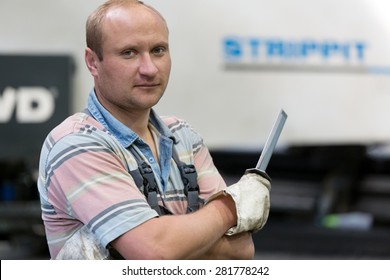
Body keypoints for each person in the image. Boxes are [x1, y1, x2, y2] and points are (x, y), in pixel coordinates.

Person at [37, 0, 271, 260]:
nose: (149, 69)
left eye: (158, 50)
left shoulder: (183, 136)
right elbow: (155, 252)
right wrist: (230, 207)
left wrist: (167, 240)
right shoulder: (76, 144)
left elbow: (240, 250)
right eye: (129, 53)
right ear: (93, 62)